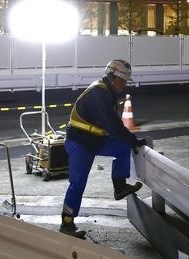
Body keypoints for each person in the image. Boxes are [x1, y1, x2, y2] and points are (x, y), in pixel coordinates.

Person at [60, 59, 147, 238]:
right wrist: (133, 140)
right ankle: (67, 223)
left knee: (122, 146)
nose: (124, 85)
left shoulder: (107, 91)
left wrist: (129, 141)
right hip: (80, 142)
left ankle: (120, 186)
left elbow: (112, 127)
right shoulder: (99, 94)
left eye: (125, 81)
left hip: (94, 139)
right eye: (121, 80)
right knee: (77, 183)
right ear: (111, 76)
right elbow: (113, 126)